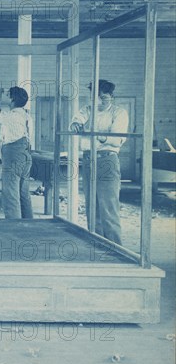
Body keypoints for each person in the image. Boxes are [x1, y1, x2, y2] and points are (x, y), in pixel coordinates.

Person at [70, 79, 128, 245]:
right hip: (89, 160)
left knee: (108, 208)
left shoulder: (119, 112)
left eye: (104, 97)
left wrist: (96, 134)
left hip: (107, 160)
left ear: (111, 97)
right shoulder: (88, 110)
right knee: (92, 206)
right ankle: (97, 245)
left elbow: (117, 140)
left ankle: (116, 247)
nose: (101, 101)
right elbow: (77, 119)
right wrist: (75, 124)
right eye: (96, 98)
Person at [0, 86, 34, 219]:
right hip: (26, 156)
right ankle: (29, 226)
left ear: (12, 99)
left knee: (11, 195)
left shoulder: (12, 116)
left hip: (13, 156)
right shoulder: (27, 116)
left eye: (8, 95)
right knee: (24, 195)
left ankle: (14, 230)